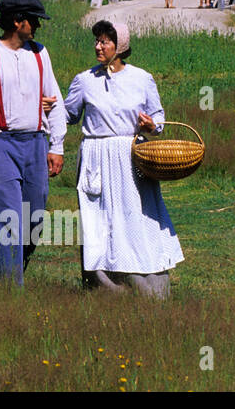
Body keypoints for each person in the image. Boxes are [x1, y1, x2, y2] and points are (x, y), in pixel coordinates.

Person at [65, 20, 183, 298]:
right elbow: (67, 116)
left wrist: (151, 126)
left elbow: (158, 118)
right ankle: (104, 288)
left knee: (136, 218)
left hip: (132, 158)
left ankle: (148, 286)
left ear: (121, 46)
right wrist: (48, 106)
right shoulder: (85, 81)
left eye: (105, 41)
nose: (98, 46)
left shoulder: (142, 78)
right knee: (99, 220)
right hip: (96, 157)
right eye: (96, 40)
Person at [0, 0, 66, 285]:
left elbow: (54, 100)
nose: (38, 26)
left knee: (34, 221)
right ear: (17, 21)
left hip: (36, 145)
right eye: (34, 21)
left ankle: (13, 269)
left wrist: (56, 145)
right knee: (9, 220)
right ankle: (11, 290)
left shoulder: (40, 53)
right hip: (1, 146)